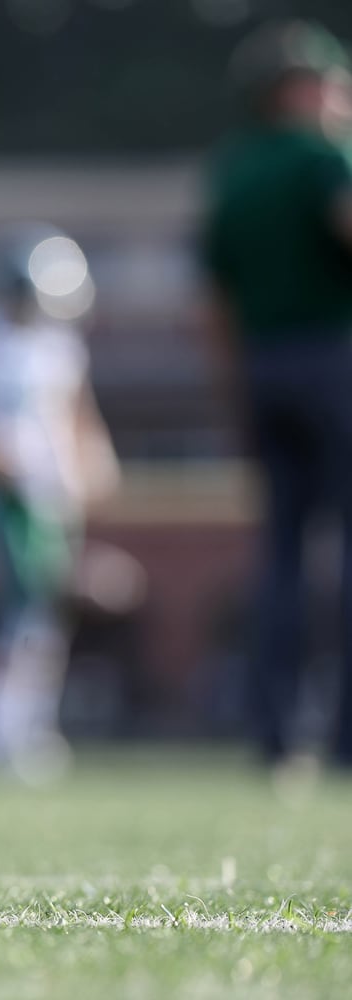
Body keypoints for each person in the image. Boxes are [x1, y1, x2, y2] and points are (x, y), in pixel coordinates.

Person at [200, 20, 352, 768]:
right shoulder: (325, 157)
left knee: (281, 560)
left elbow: (215, 301)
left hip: (262, 369)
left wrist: (236, 388)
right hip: (334, 359)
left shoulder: (235, 170)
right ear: (304, 88)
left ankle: (275, 734)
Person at [0, 227, 118, 779]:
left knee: (45, 611)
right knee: (23, 605)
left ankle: (25, 720)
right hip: (3, 493)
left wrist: (95, 461)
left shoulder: (61, 347)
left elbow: (77, 417)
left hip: (51, 492)